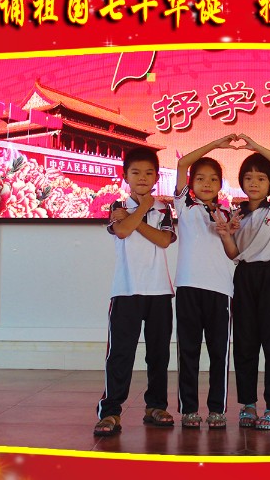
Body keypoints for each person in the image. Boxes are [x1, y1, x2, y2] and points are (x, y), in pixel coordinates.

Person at [213, 133, 270, 431]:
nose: (254, 183)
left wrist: (256, 147)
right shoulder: (238, 215)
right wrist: (226, 234)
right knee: (245, 344)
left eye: (261, 178)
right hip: (244, 276)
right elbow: (234, 253)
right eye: (248, 178)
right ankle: (248, 404)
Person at [93, 147, 176, 436]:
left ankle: (156, 406)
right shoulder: (117, 205)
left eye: (149, 173)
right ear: (125, 176)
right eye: (136, 172)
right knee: (121, 353)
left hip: (159, 291)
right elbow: (122, 231)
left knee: (158, 354)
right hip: (126, 290)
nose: (142, 177)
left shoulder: (164, 209)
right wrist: (141, 209)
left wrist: (135, 216)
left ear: (156, 177)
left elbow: (163, 240)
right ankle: (110, 411)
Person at [173, 134, 238, 429]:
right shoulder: (184, 206)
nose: (207, 184)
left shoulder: (228, 214)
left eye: (213, 179)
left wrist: (228, 232)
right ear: (191, 183)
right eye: (200, 178)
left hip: (221, 291)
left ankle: (217, 409)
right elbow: (182, 163)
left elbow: (234, 253)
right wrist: (214, 144)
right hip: (188, 287)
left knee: (218, 353)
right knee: (188, 351)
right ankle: (189, 409)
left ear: (221, 184)